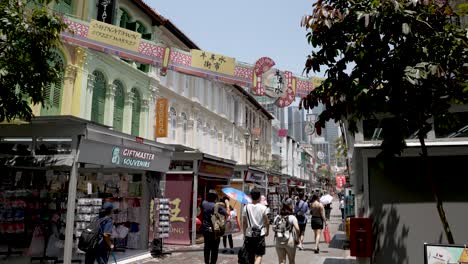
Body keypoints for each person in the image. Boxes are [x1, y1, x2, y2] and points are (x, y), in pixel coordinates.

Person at [242, 188, 270, 264]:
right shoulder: (263, 208)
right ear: (260, 197)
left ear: (250, 196)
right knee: (259, 255)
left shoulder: (246, 207)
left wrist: (244, 233)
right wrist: (267, 231)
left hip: (249, 234)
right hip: (260, 234)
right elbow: (267, 222)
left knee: (250, 255)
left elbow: (244, 222)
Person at [200, 190, 227, 264]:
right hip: (215, 229)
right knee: (214, 248)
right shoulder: (217, 206)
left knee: (207, 247)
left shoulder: (204, 204)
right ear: (215, 197)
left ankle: (206, 262)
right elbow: (226, 213)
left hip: (205, 229)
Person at [274, 198, 300, 264]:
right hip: (290, 241)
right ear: (290, 206)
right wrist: (297, 239)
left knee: (281, 261)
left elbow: (274, 228)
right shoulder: (292, 217)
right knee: (291, 260)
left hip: (278, 240)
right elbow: (297, 229)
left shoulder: (277, 217)